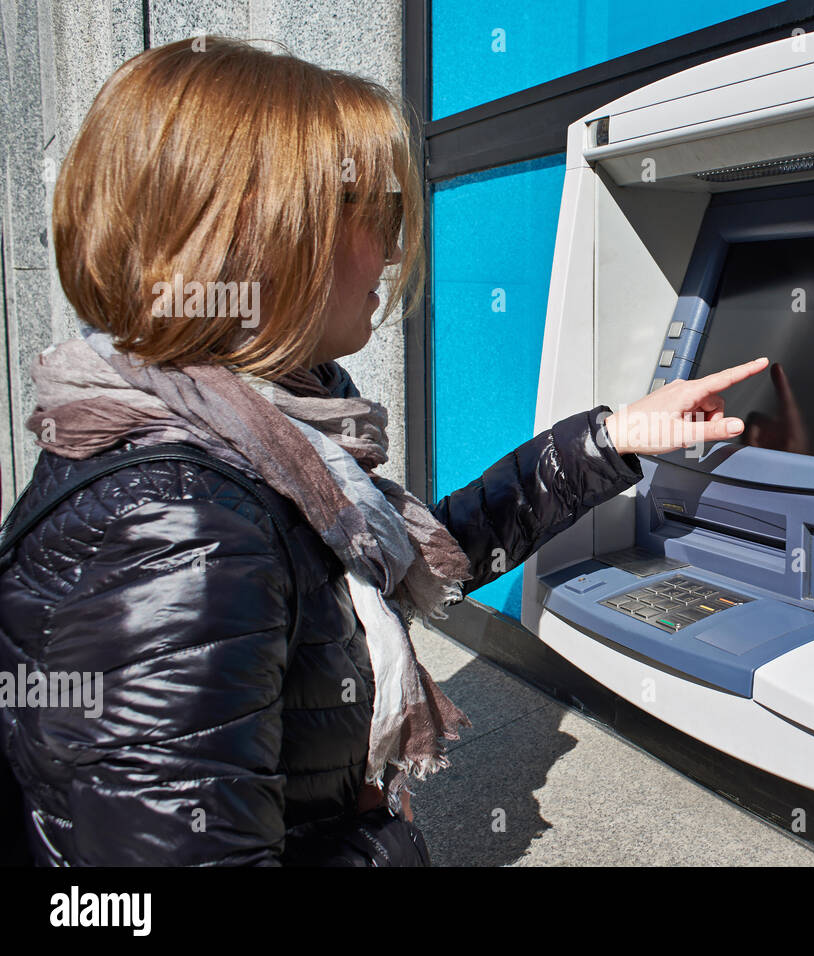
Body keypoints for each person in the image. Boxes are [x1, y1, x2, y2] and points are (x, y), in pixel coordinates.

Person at [0, 36, 768, 866]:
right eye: (378, 216)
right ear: (263, 239)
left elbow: (409, 556)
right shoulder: (180, 524)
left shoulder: (232, 428)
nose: (397, 250)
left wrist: (611, 438)